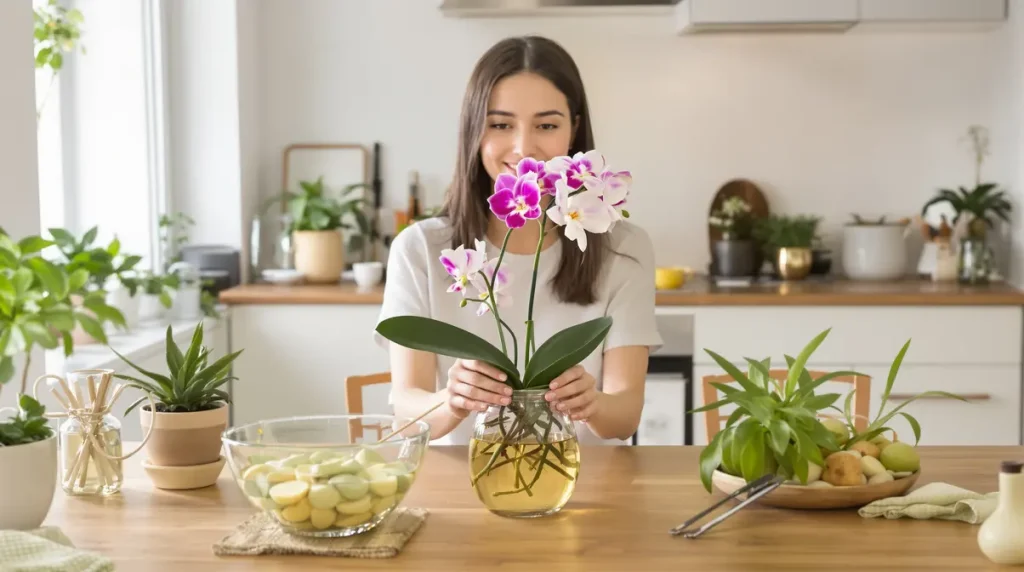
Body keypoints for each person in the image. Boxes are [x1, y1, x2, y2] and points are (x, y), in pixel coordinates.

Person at [374, 35, 661, 445]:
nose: (524, 148)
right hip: (460, 488)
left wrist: (593, 402)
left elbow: (625, 416)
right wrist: (451, 400)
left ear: (574, 131)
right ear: (473, 130)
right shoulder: (421, 249)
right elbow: (405, 408)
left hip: (583, 488)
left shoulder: (622, 249)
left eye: (546, 125)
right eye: (500, 124)